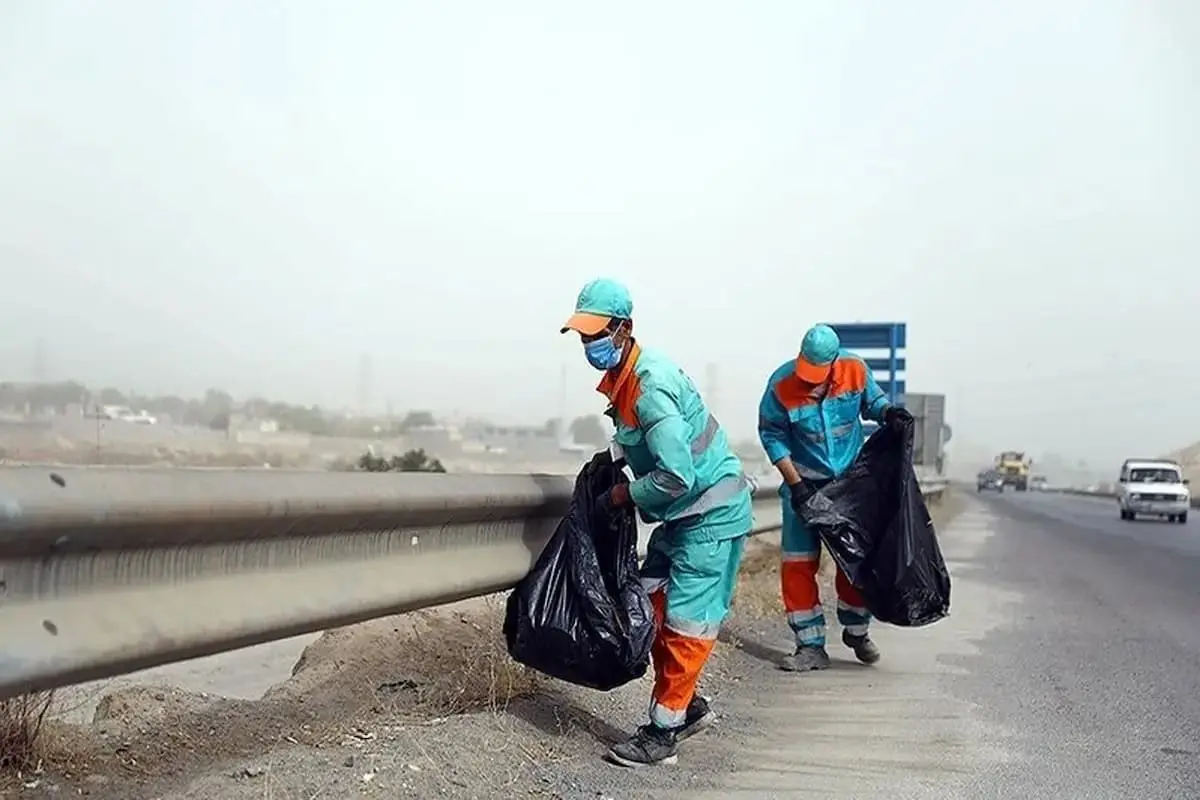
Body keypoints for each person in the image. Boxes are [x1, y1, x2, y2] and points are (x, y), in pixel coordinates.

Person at [560, 277, 753, 768]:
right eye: (582, 336)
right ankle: (685, 707)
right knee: (649, 605)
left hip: (710, 517)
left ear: (624, 329)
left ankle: (663, 732)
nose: (589, 345)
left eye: (596, 334)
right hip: (684, 517)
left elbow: (675, 474)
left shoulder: (651, 387)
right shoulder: (625, 383)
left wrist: (624, 494)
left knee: (685, 622)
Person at [756, 323, 911, 672]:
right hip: (803, 487)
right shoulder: (781, 385)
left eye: (817, 374)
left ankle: (856, 630)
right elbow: (771, 434)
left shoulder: (854, 370)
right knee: (797, 565)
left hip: (848, 489)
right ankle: (809, 646)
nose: (810, 382)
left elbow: (873, 402)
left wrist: (888, 413)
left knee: (855, 561)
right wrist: (797, 485)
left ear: (833, 364)